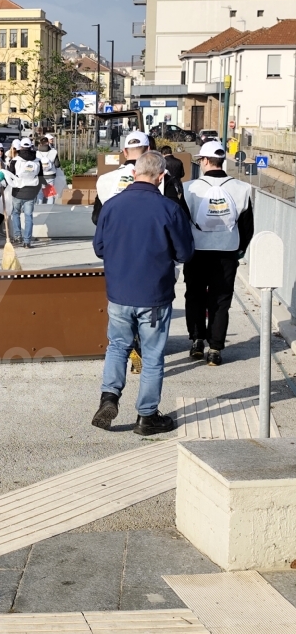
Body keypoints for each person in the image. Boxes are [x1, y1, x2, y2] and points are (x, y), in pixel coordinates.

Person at [92, 151, 195, 436]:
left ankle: (109, 397)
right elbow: (185, 252)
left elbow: (99, 247)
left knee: (117, 347)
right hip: (154, 294)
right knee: (151, 356)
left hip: (119, 292)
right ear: (161, 177)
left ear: (135, 173)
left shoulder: (112, 205)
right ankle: (147, 416)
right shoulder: (168, 209)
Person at [183, 139, 253, 365]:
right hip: (227, 251)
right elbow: (247, 226)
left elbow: (181, 222)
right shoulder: (242, 188)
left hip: (196, 251)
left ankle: (196, 341)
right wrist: (240, 249)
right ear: (222, 161)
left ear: (203, 161)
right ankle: (215, 348)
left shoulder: (189, 188)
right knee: (221, 300)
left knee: (194, 296)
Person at [92, 132, 188, 225]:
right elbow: (178, 216)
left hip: (115, 238)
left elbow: (97, 218)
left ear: (125, 152)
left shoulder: (105, 179)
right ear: (149, 150)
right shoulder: (162, 177)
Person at [6, 140, 43, 248]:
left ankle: (17, 236)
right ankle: (27, 241)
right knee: (28, 216)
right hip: (31, 192)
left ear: (20, 147)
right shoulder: (37, 160)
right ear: (31, 147)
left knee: (16, 213)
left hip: (18, 191)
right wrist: (36, 190)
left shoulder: (15, 160)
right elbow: (41, 177)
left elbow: (10, 175)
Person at [36, 138, 60, 205]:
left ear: (40, 144)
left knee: (40, 193)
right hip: (50, 175)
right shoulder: (54, 152)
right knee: (50, 193)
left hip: (40, 175)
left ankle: (39, 208)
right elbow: (57, 165)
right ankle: (49, 208)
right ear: (48, 143)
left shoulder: (36, 153)